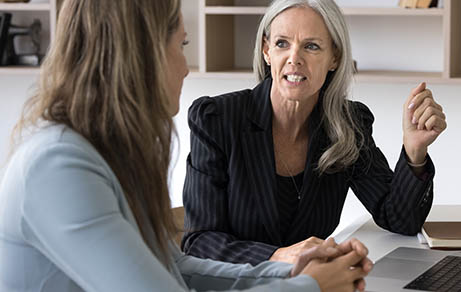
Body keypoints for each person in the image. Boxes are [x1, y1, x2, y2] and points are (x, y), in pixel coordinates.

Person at [0, 0, 374, 291]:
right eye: (181, 45)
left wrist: (293, 268)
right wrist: (309, 286)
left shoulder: (99, 156)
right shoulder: (59, 168)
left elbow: (176, 267)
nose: (186, 68)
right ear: (138, 56)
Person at [182, 0, 447, 266]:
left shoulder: (348, 124)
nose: (294, 58)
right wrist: (279, 256)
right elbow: (199, 241)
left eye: (311, 46)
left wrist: (415, 151)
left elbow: (399, 218)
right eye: (282, 43)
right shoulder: (217, 119)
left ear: (335, 58)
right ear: (266, 50)